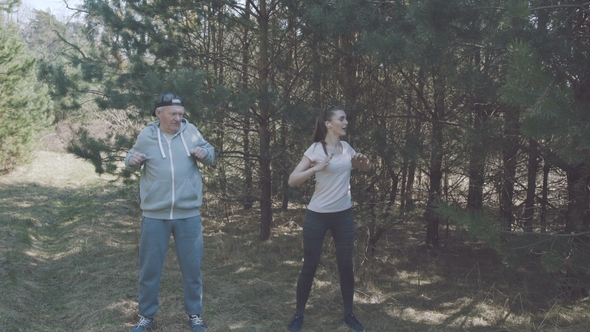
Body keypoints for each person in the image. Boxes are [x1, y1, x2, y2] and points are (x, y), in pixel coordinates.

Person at [126, 92, 214, 332]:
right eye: (173, 114)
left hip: (188, 214)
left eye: (181, 114)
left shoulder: (191, 132)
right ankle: (146, 317)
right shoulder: (147, 135)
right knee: (150, 269)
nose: (178, 118)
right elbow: (131, 155)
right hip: (155, 215)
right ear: (159, 113)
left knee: (192, 268)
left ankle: (195, 315)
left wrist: (205, 154)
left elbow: (210, 153)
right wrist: (131, 160)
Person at [287, 105, 371, 332]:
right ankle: (298, 315)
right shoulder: (315, 149)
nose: (345, 123)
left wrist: (363, 162)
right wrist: (315, 169)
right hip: (318, 216)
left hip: (343, 215)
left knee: (345, 264)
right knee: (310, 265)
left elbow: (365, 168)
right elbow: (292, 180)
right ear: (328, 124)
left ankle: (349, 314)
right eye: (341, 119)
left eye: (346, 119)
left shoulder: (346, 147)